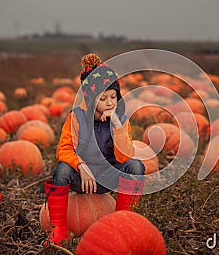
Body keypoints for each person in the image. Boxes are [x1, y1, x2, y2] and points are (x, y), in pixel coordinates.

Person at [45, 53, 145, 244]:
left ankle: (122, 225)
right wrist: (81, 166)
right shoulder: (77, 118)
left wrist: (116, 124)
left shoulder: (121, 121)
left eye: (113, 97)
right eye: (103, 98)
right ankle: (58, 230)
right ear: (91, 100)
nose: (109, 103)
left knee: (136, 166)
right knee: (62, 169)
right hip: (82, 179)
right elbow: (64, 149)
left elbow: (126, 157)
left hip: (108, 177)